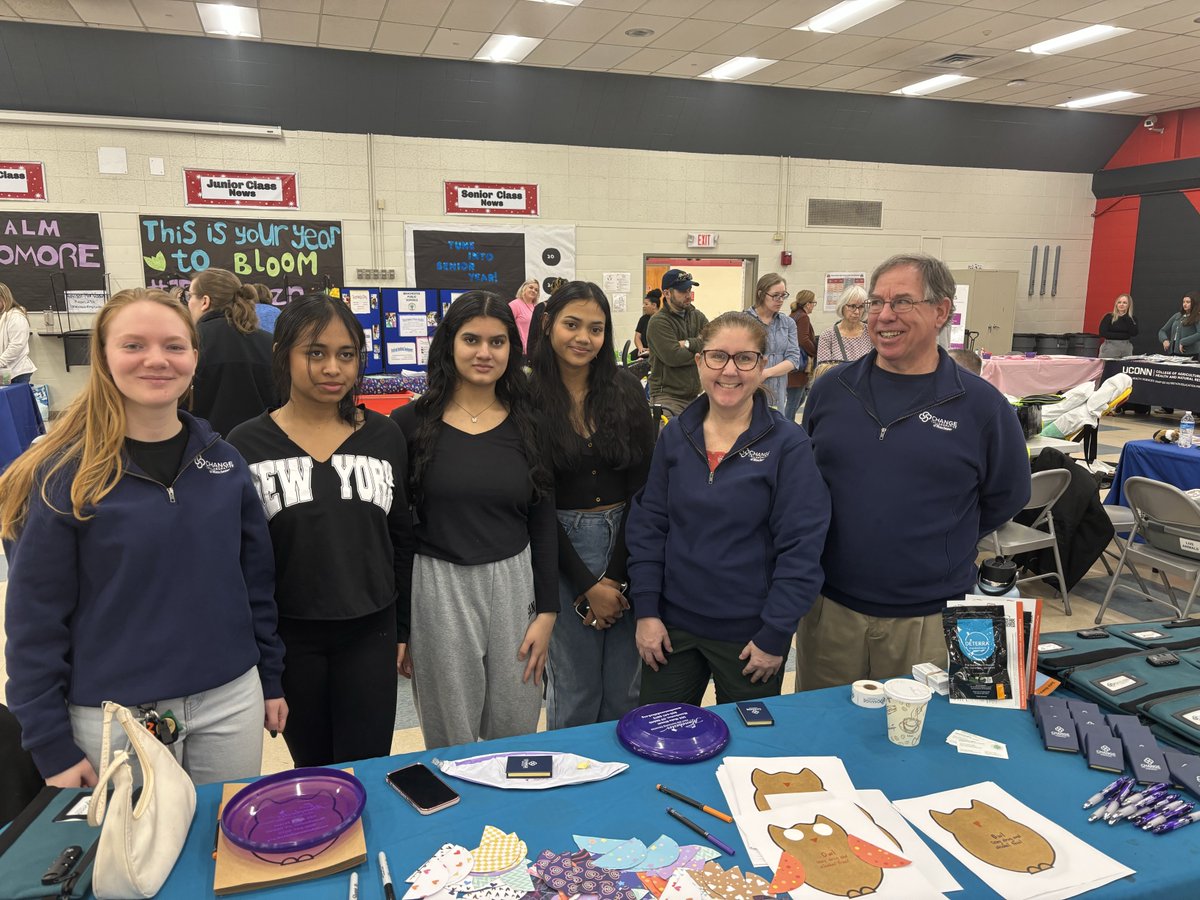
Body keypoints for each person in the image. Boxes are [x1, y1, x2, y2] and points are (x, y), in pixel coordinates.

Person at [0, 288, 286, 787]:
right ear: (105, 356)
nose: (157, 360)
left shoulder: (223, 461)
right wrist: (49, 742)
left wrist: (270, 680)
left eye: (174, 346)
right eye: (134, 345)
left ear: (195, 357)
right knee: (135, 866)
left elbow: (255, 584)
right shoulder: (62, 477)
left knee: (224, 853)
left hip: (229, 701)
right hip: (115, 717)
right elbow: (33, 623)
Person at [797, 253, 1030, 690]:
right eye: (876, 303)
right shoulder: (832, 389)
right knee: (824, 743)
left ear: (941, 311)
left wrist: (939, 540)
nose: (885, 316)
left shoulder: (981, 406)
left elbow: (1008, 495)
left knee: (916, 747)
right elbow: (806, 481)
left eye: (903, 302)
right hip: (830, 611)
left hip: (928, 618)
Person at [228, 295, 413, 768]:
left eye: (346, 354)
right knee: (313, 769)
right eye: (315, 353)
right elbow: (242, 562)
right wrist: (263, 657)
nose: (332, 368)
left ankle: (369, 846)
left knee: (369, 768)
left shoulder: (384, 435)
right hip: (292, 638)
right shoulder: (246, 444)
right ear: (284, 356)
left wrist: (404, 628)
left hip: (371, 630)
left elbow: (401, 537)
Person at [627, 312, 830, 705]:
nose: (730, 371)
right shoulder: (675, 435)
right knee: (663, 742)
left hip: (750, 636)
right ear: (700, 361)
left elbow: (803, 547)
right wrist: (647, 611)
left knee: (748, 752)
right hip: (672, 630)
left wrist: (775, 633)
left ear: (762, 364)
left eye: (745, 358)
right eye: (718, 356)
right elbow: (650, 526)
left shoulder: (788, 445)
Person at [391, 292, 557, 749]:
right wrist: (402, 626)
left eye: (497, 342)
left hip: (512, 583)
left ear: (512, 349)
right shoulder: (408, 424)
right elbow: (398, 534)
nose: (484, 353)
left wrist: (546, 613)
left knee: (516, 725)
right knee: (451, 736)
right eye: (471, 339)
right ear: (448, 344)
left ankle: (511, 816)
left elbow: (543, 521)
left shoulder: (531, 424)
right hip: (437, 585)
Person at [530, 281, 655, 729]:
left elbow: (643, 487)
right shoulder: (526, 398)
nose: (584, 337)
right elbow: (537, 504)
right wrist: (587, 585)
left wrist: (616, 579)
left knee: (627, 686)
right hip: (559, 545)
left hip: (627, 538)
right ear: (548, 326)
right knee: (575, 686)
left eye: (596, 328)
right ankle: (574, 786)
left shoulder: (623, 389)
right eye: (572, 325)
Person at [186, 267, 276, 436]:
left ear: (205, 301)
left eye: (189, 296)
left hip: (202, 450)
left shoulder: (189, 344)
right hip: (261, 449)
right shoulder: (268, 343)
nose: (188, 302)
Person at [647, 269, 710, 417]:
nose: (688, 295)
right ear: (667, 293)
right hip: (668, 398)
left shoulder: (697, 316)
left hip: (694, 397)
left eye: (689, 290)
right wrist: (700, 348)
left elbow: (713, 342)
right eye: (682, 291)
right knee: (670, 439)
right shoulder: (658, 322)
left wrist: (687, 343)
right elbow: (674, 357)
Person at [746, 273, 803, 410]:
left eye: (783, 295)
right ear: (761, 294)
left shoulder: (788, 323)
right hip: (750, 388)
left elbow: (794, 359)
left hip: (778, 392)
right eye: (775, 295)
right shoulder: (744, 321)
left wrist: (766, 373)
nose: (780, 300)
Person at [815, 285, 872, 365]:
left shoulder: (870, 332)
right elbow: (823, 371)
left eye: (861, 307)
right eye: (852, 306)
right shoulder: (828, 336)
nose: (857, 312)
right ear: (842, 306)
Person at [784, 290, 817, 421]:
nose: (814, 306)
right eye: (813, 303)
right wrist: (815, 351)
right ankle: (787, 429)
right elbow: (803, 339)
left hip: (792, 364)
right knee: (792, 403)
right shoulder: (803, 317)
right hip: (799, 365)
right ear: (808, 304)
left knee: (801, 396)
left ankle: (785, 424)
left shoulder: (793, 315)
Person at [0, 282, 36, 384]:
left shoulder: (16, 317)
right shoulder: (2, 316)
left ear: (4, 298)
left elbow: (17, 345)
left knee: (13, 399)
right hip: (4, 372)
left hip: (16, 373)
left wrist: (0, 362)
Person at [1159, 292, 1199, 357]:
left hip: (1190, 353)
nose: (1185, 304)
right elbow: (1162, 331)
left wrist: (1183, 341)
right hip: (1173, 351)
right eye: (1183, 302)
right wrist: (1164, 340)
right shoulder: (1177, 315)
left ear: (1194, 303)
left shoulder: (1197, 317)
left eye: (1188, 302)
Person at [1098, 293, 1137, 359]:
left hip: (1126, 348)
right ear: (1116, 304)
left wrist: (1127, 318)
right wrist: (1125, 335)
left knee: (1123, 368)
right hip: (1110, 347)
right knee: (1108, 368)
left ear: (1129, 305)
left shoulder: (1132, 319)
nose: (1121, 304)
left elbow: (1134, 333)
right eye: (1119, 302)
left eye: (1124, 303)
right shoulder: (1109, 317)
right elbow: (1102, 333)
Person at [510, 279, 540, 356]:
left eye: (536, 290)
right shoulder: (515, 304)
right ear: (524, 288)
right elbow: (507, 325)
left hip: (535, 351)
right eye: (531, 287)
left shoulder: (537, 307)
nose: (533, 290)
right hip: (519, 351)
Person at [633, 290, 661, 359]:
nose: (643, 307)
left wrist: (651, 349)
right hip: (643, 350)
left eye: (646, 304)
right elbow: (637, 337)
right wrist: (640, 348)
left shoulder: (663, 319)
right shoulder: (643, 319)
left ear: (654, 305)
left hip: (657, 353)